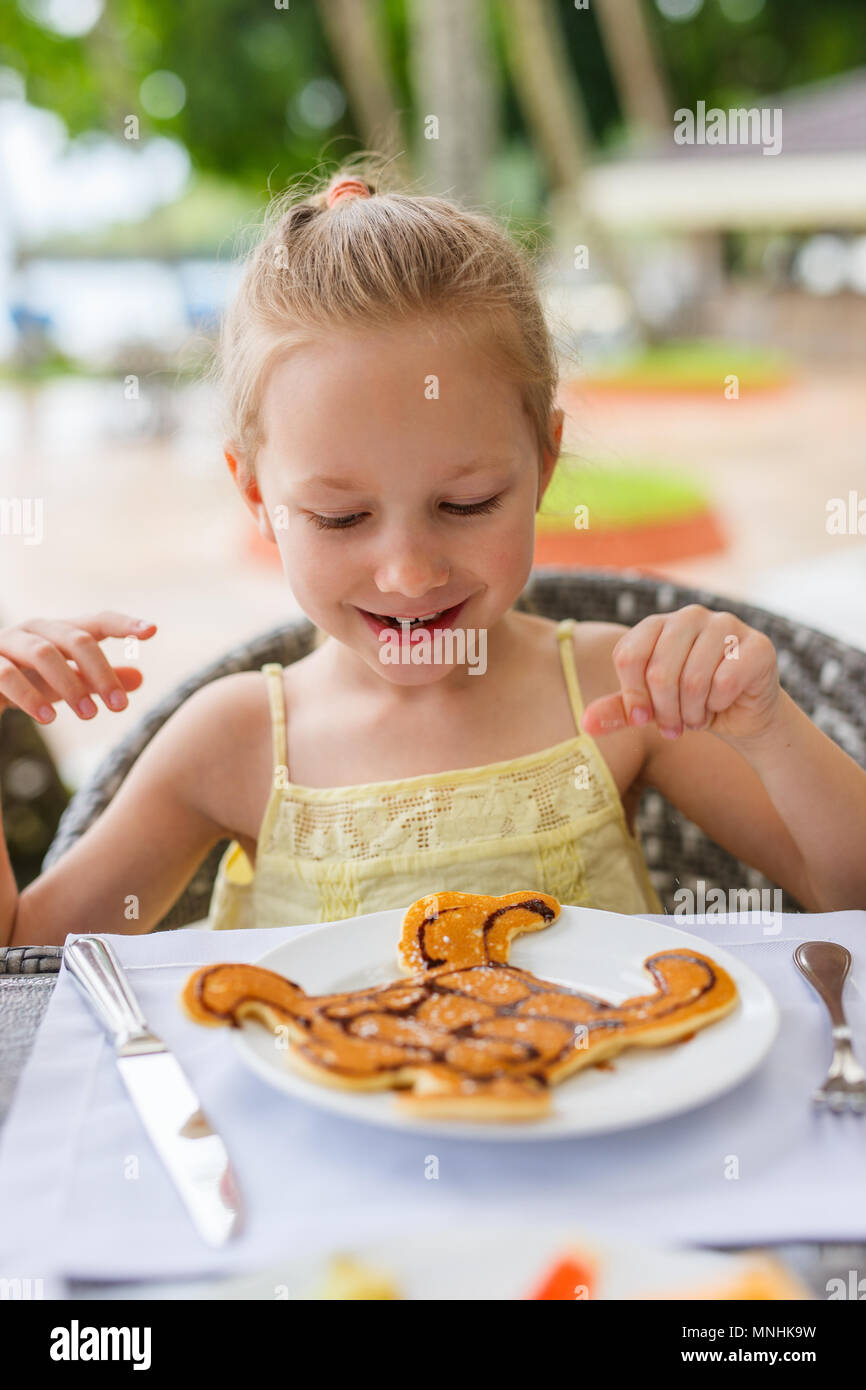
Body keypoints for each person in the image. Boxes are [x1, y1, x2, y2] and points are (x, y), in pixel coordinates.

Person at [3, 161, 865, 947]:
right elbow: (24, 956)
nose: (411, 572)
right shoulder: (230, 744)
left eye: (467, 504)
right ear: (259, 496)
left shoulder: (617, 696)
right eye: (341, 518)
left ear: (545, 464)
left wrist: (765, 724)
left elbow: (850, 896)